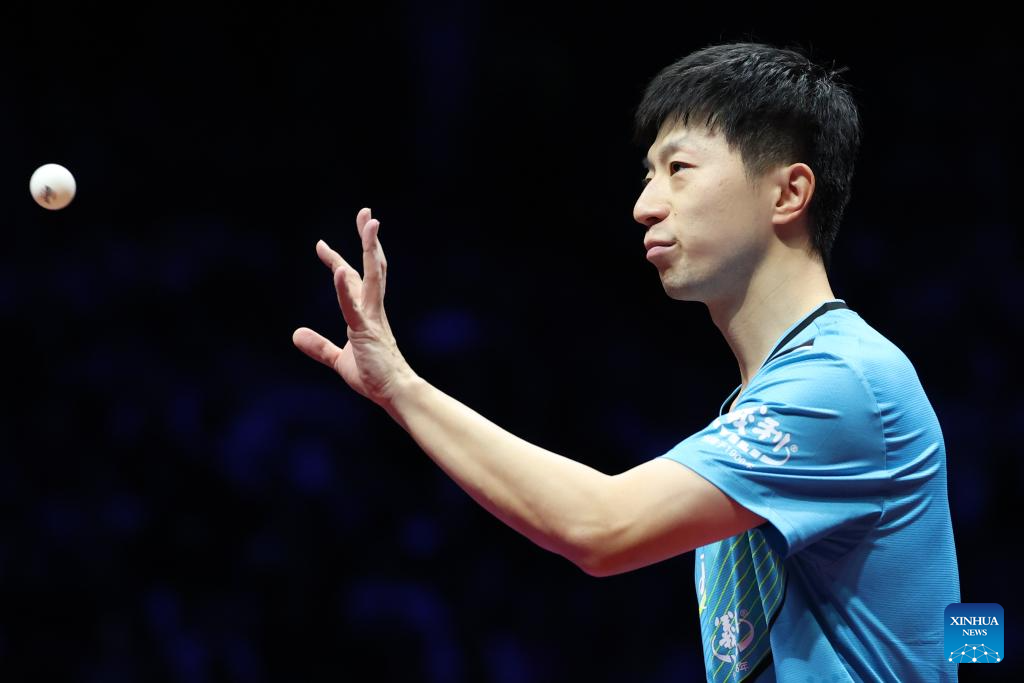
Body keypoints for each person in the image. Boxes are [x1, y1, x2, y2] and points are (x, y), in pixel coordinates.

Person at [292, 41, 961, 682]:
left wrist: (401, 386)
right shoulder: (765, 403)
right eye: (648, 175)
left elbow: (599, 526)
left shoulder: (842, 383)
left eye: (679, 168)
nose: (644, 206)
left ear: (787, 193)